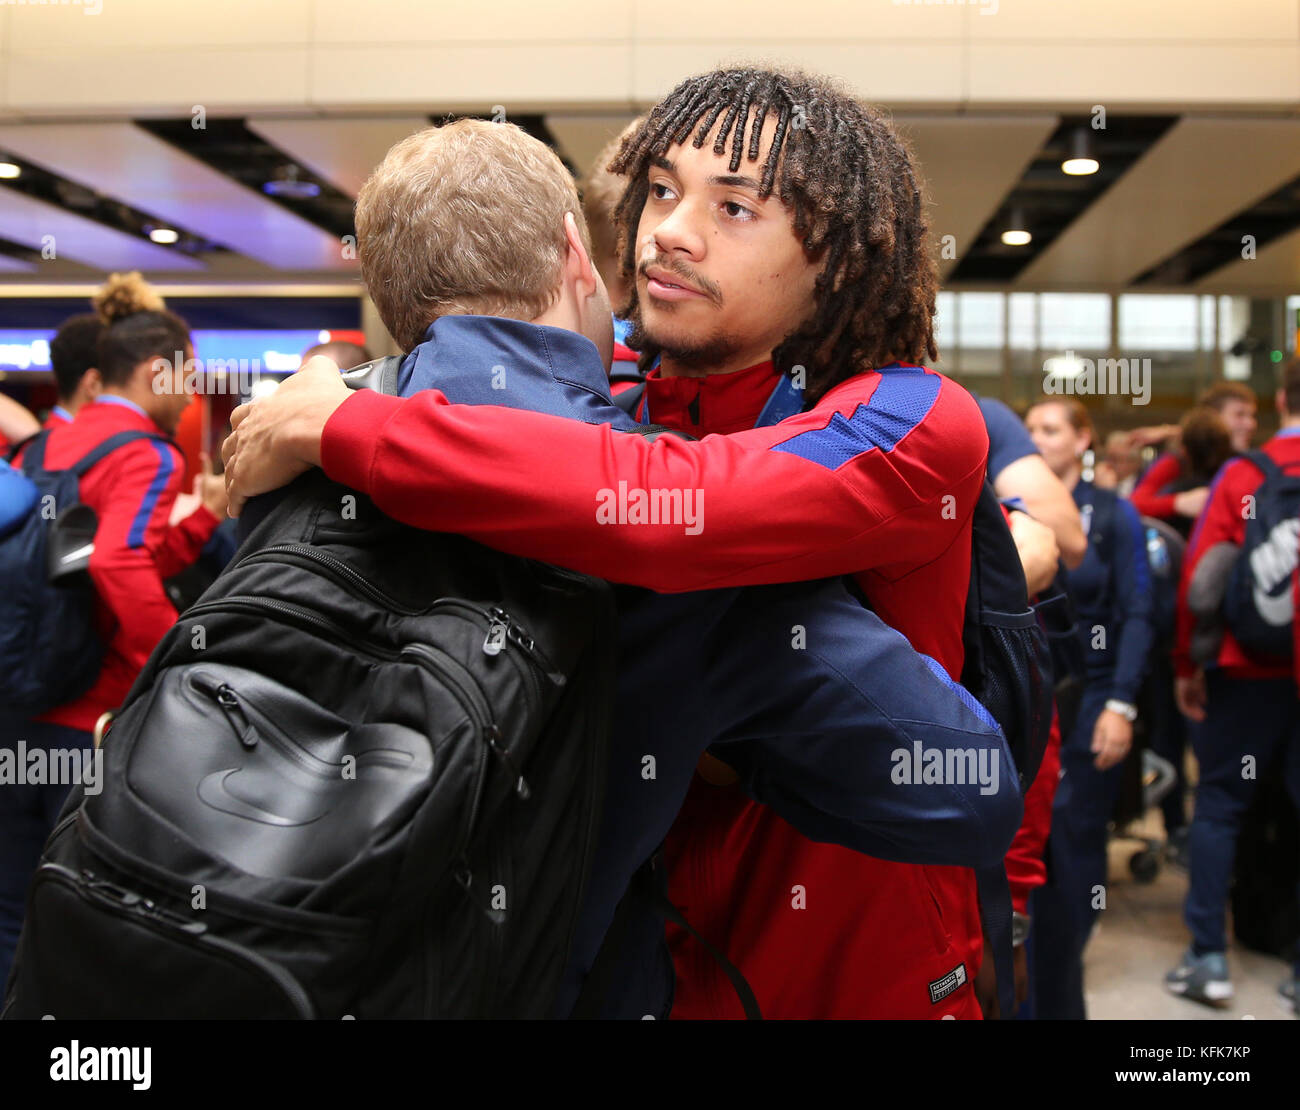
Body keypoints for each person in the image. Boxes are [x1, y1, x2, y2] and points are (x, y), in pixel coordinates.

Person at [223, 65, 1011, 1018]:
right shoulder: (632, 395)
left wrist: (340, 421)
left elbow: (674, 506)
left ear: (834, 260)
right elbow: (502, 358)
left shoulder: (913, 418)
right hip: (661, 960)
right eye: (666, 190)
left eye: (736, 208)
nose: (670, 230)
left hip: (857, 965)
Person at [0, 274, 222, 986]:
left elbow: (95, 551)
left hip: (16, 703)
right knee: (89, 909)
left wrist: (205, 518)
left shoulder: (39, 450)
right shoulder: (145, 453)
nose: (191, 395)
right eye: (186, 377)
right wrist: (175, 660)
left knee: (12, 905)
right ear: (158, 371)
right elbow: (121, 560)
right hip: (91, 714)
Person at [1167, 358, 1300, 1011]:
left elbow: (1203, 580)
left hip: (1248, 670)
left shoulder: (1245, 474)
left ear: (1280, 398)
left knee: (1219, 804)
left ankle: (1207, 958)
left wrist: (1189, 666)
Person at [1023, 398, 1156, 1019]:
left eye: (1050, 430)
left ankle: (1064, 966)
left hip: (1092, 693)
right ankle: (1031, 976)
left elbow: (1137, 613)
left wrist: (1121, 706)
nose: (1035, 439)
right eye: (1029, 430)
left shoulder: (1113, 514)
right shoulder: (1016, 512)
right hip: (1028, 699)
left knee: (1074, 840)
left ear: (1082, 442)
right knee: (1026, 848)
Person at [1131, 382, 1258, 529]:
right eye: (1239, 414)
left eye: (1252, 416)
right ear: (1212, 417)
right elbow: (1133, 504)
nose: (1251, 424)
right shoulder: (1180, 461)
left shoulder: (1248, 464)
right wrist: (1178, 503)